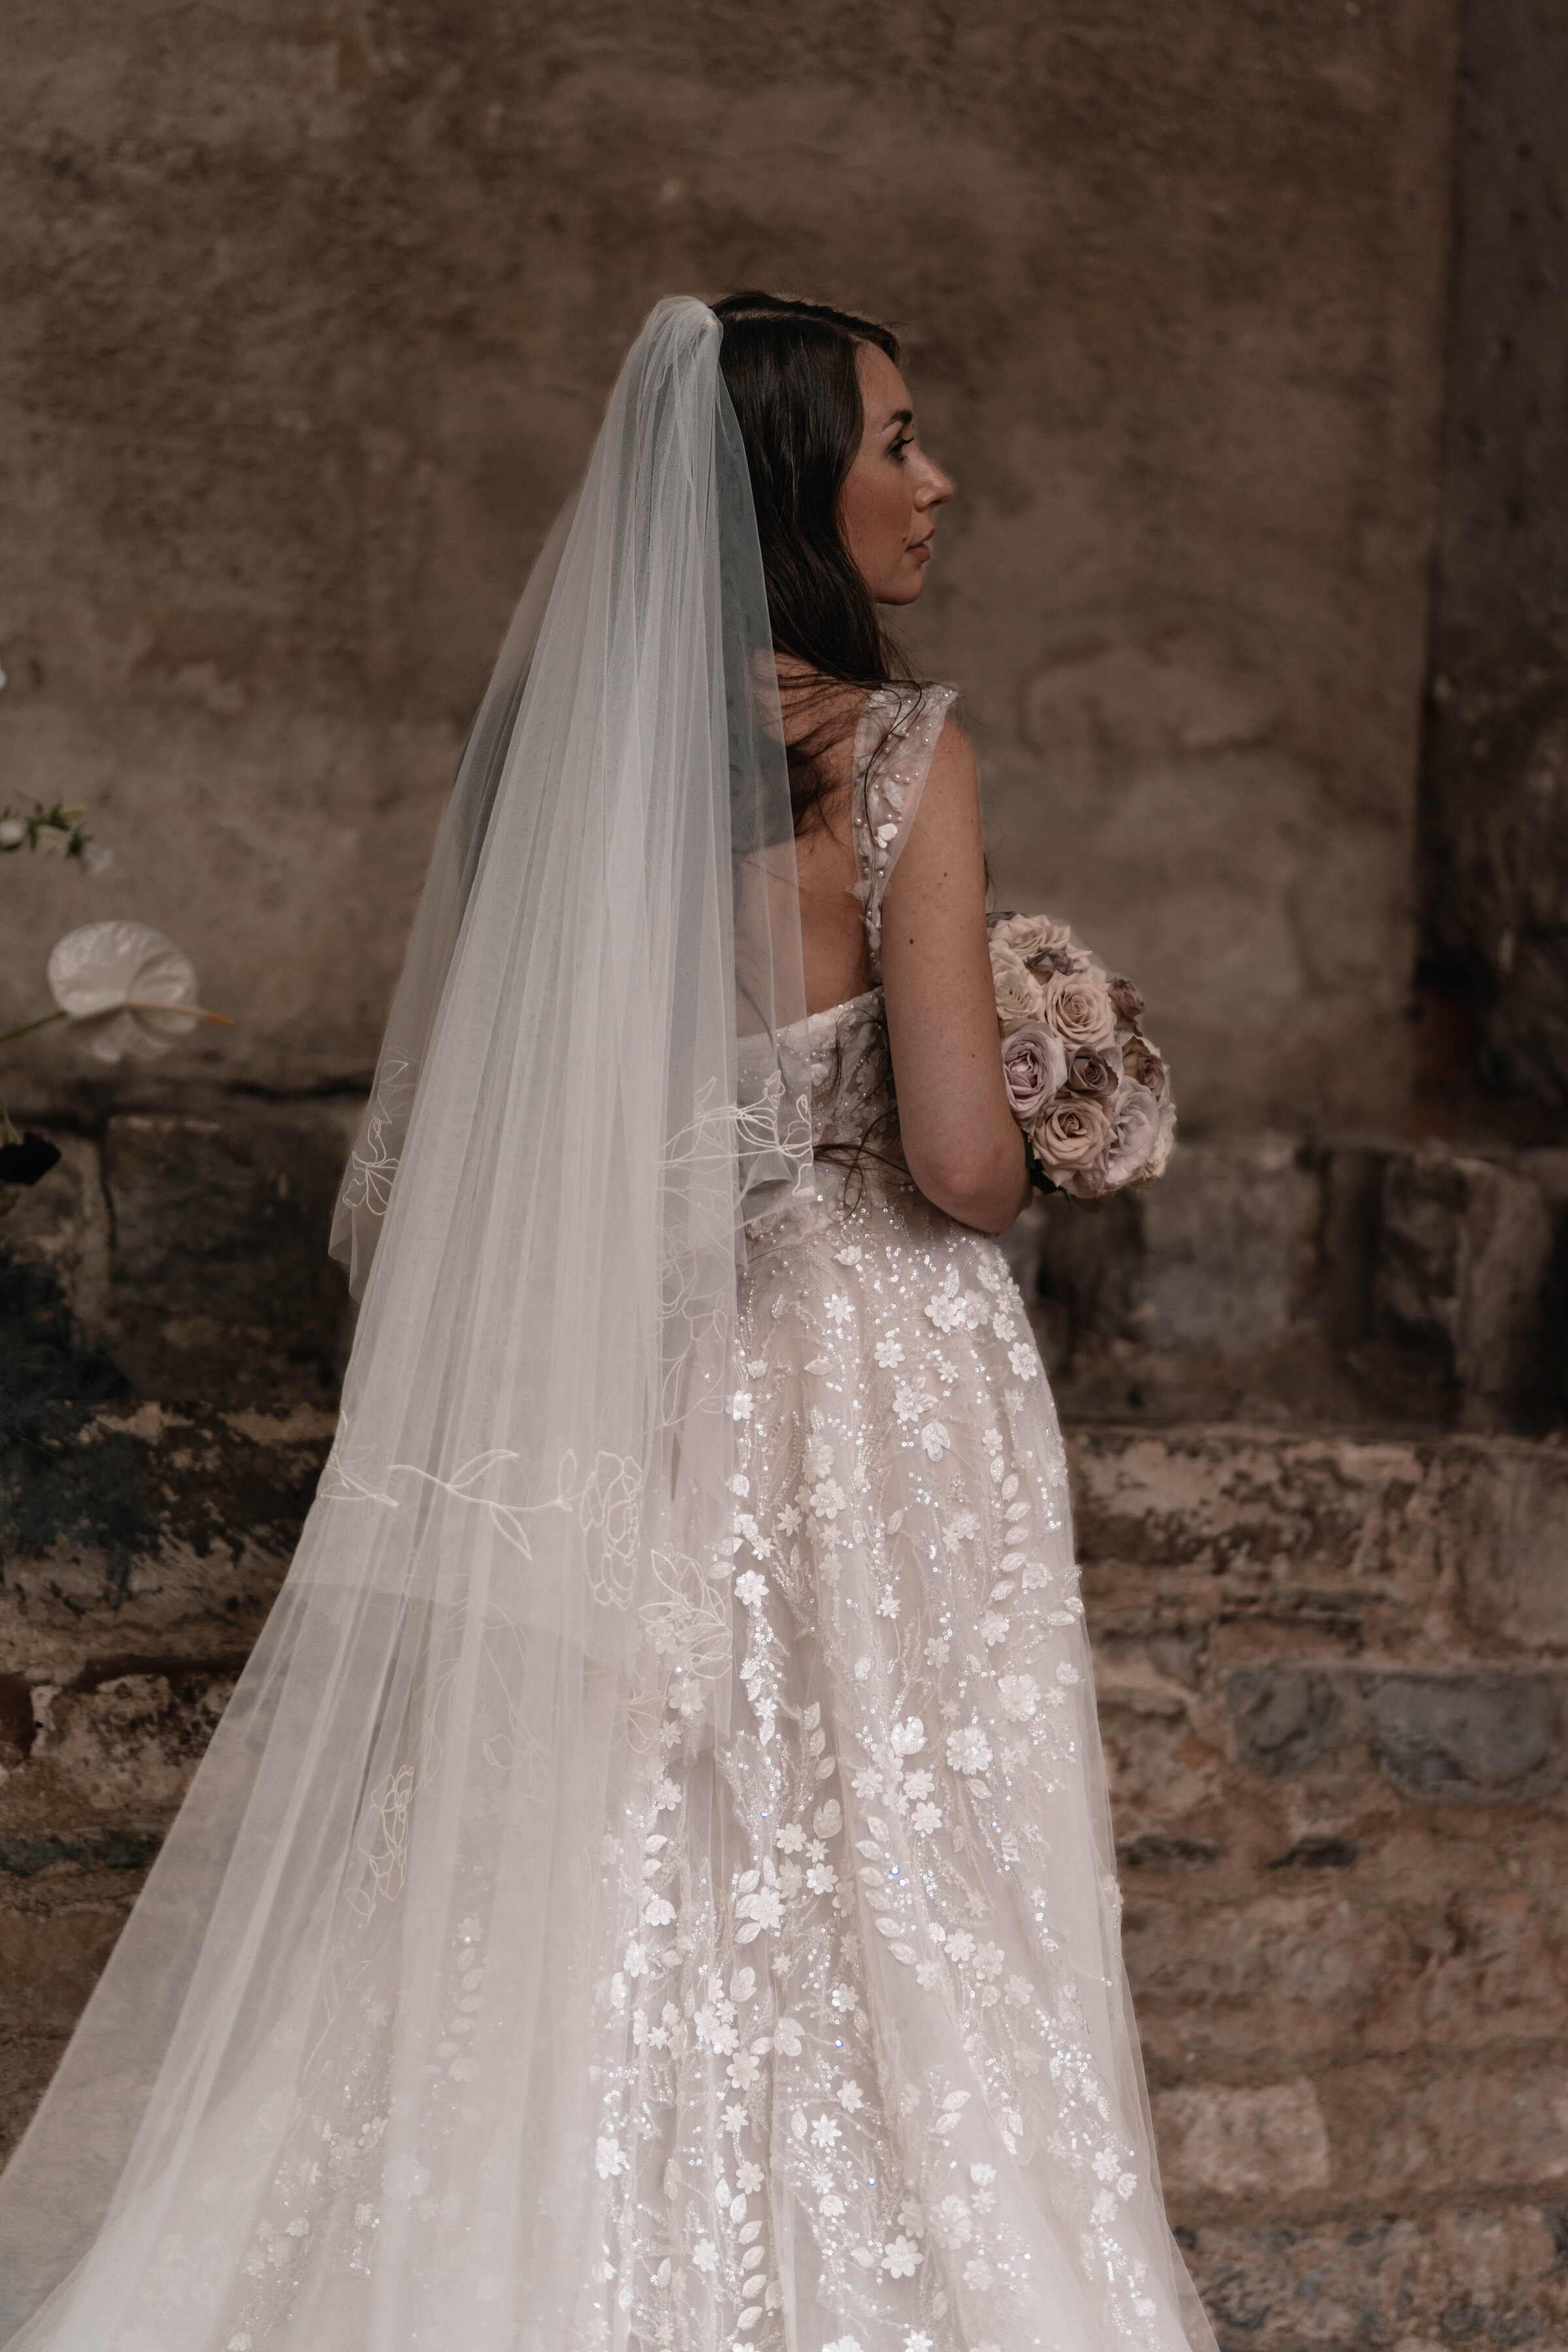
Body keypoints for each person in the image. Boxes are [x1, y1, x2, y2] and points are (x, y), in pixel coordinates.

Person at [0, 294, 1215, 2352]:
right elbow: (951, 1164)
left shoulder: (562, 778)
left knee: (608, 1853)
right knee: (898, 1890)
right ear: (788, 493)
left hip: (635, 1384)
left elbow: (511, 1153)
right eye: (897, 444)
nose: (939, 482)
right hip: (867, 1381)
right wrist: (1048, 1073)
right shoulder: (907, 761)